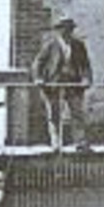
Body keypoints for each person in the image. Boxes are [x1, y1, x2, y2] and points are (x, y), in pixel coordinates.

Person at [32, 15, 93, 152]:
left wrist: (87, 79)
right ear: (58, 30)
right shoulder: (50, 45)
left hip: (73, 84)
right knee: (54, 115)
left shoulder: (78, 45)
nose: (66, 32)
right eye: (63, 29)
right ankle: (56, 143)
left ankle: (80, 142)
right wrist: (38, 78)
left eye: (69, 29)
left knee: (77, 113)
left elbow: (86, 65)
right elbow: (38, 63)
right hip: (54, 84)